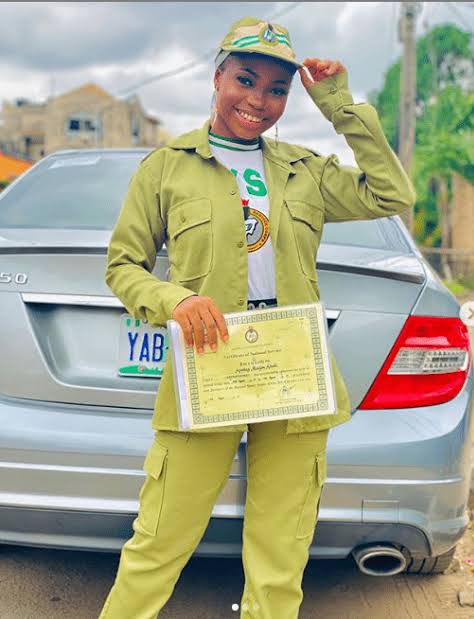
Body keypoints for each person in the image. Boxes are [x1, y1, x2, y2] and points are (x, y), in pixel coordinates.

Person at [98, 15, 415, 619]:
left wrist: (339, 105)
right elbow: (123, 265)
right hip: (209, 363)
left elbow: (392, 195)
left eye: (277, 89)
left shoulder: (305, 170)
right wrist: (174, 301)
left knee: (280, 552)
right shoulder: (166, 167)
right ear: (218, 77)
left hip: (293, 368)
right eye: (245, 79)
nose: (258, 100)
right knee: (160, 539)